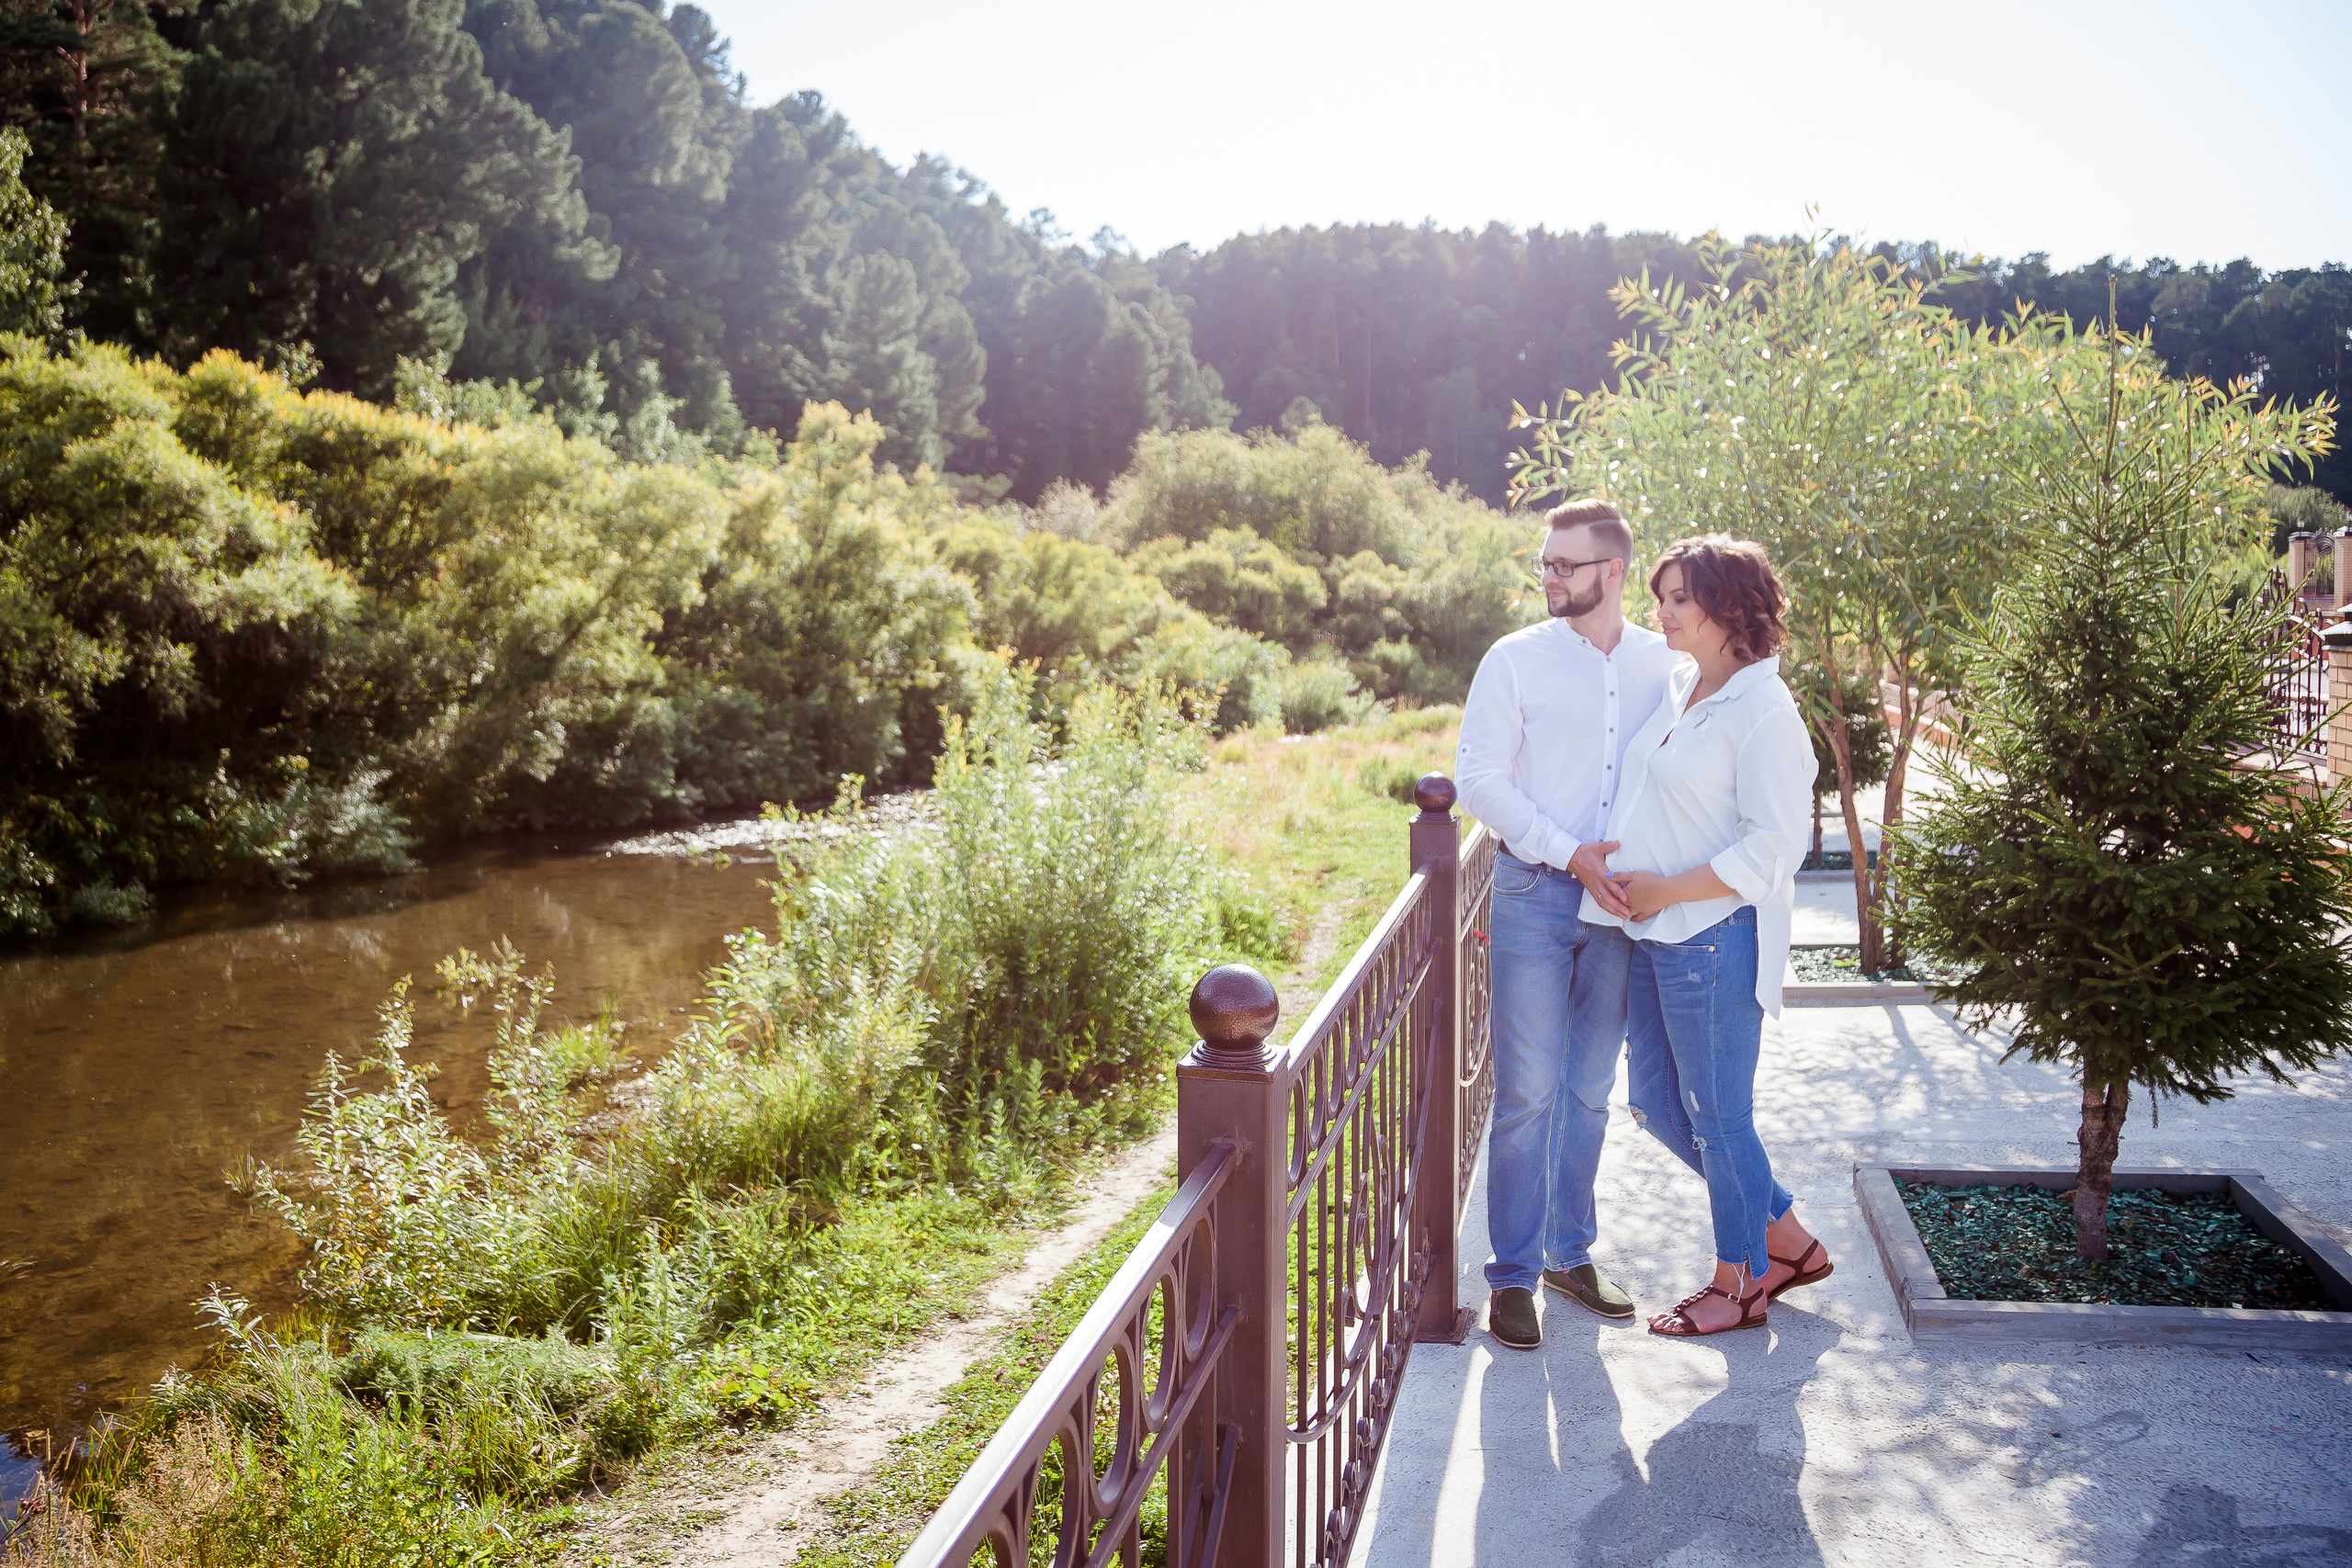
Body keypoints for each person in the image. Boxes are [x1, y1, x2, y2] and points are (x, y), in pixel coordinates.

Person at [1581, 534, 1833, 1337]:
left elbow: (1771, 848)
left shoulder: (1765, 711)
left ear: (1729, 608)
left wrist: (1664, 888)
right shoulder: (1689, 683)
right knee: (1657, 1103)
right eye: (1663, 596)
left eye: (1679, 598)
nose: (1663, 611)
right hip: (1660, 935)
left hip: (1716, 939)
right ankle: (1785, 1238)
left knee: (1721, 1118)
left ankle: (1743, 1280)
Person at [1455, 499, 1681, 1349]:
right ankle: (1510, 1274)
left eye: (1566, 564)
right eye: (1545, 562)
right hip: (1533, 894)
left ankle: (1568, 1253)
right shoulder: (1515, 660)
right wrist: (1567, 849)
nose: (1549, 576)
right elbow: (1477, 777)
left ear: (1614, 570)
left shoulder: (1669, 665)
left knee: (1588, 1090)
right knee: (1526, 1092)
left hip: (1623, 906)